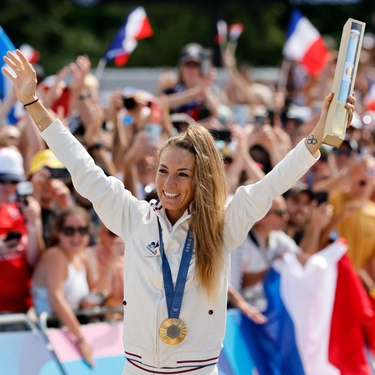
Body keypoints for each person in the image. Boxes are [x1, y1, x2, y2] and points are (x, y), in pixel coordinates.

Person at [2, 49, 355, 375]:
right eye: (163, 171)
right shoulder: (134, 218)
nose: (169, 183)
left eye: (182, 174)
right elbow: (81, 164)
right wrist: (33, 103)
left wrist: (317, 137)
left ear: (200, 178)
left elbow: (271, 185)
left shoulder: (222, 224)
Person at [31, 205, 95, 367]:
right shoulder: (55, 256)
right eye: (69, 230)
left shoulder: (81, 256)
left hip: (66, 332)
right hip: (48, 337)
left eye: (82, 230)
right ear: (58, 233)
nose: (76, 235)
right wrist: (81, 339)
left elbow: (94, 290)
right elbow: (56, 299)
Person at [0, 146, 43, 318]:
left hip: (22, 310)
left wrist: (34, 224)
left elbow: (33, 260)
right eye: (2, 180)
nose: (7, 186)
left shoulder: (20, 212)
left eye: (13, 181)